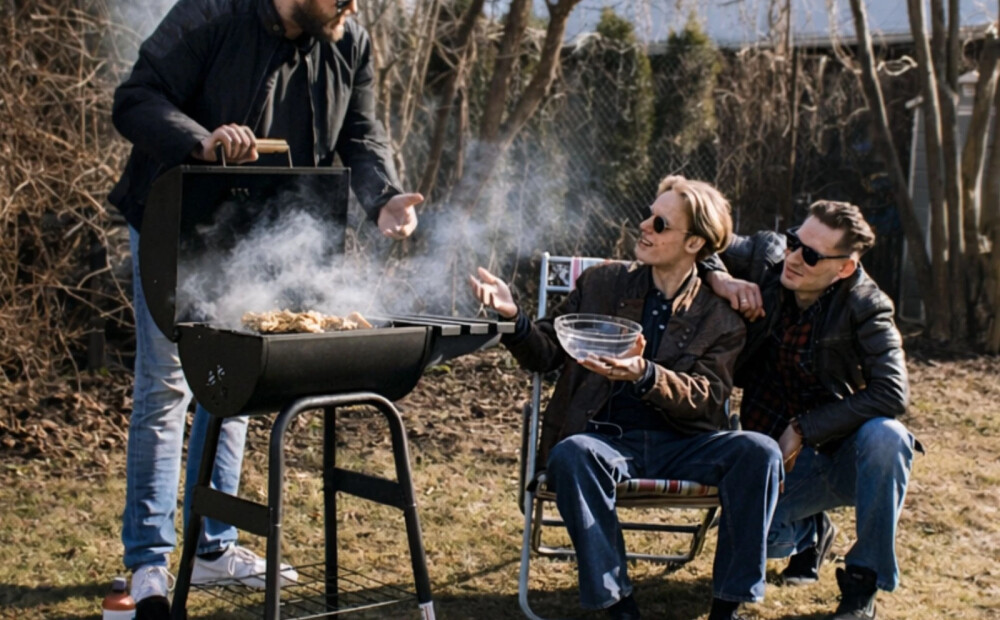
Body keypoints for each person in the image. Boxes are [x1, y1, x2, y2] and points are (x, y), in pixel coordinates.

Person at [108, 0, 423, 616]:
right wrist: (201, 140)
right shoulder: (210, 15)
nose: (353, 6)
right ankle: (148, 560)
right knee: (167, 386)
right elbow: (136, 98)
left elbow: (360, 134)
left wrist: (382, 196)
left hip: (260, 237)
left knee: (236, 382)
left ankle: (212, 549)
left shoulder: (348, 41)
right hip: (177, 222)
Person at [470, 176, 783, 620]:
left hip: (684, 444)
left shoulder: (720, 317)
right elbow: (545, 354)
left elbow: (709, 400)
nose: (644, 226)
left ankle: (728, 606)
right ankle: (619, 604)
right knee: (571, 454)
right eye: (648, 214)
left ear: (694, 242)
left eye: (660, 223)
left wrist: (645, 374)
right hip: (606, 441)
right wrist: (512, 316)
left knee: (760, 452)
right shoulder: (603, 285)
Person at [702, 200, 917, 620]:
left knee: (888, 438)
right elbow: (700, 234)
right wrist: (720, 278)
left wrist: (804, 427)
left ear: (843, 269)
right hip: (769, 459)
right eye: (795, 241)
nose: (794, 257)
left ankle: (861, 584)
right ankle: (811, 531)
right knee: (761, 543)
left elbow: (893, 393)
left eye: (812, 254)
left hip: (836, 456)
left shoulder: (866, 304)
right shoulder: (767, 257)